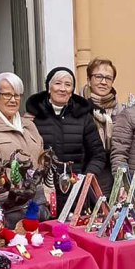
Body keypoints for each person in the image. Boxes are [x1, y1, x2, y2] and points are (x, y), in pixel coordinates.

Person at [25, 67, 107, 214]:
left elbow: (98, 155)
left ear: (72, 90)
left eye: (68, 85)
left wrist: (85, 179)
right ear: (48, 88)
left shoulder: (84, 118)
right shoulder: (33, 117)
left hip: (77, 190)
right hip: (43, 191)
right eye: (58, 83)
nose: (62, 89)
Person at [0, 72, 46, 224]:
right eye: (7, 95)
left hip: (36, 205)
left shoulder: (29, 125)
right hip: (5, 210)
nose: (13, 100)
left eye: (17, 95)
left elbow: (42, 161)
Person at [81, 58, 128, 194]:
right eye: (98, 77)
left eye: (108, 78)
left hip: (112, 174)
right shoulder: (78, 107)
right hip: (86, 172)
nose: (103, 82)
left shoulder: (121, 111)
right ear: (89, 79)